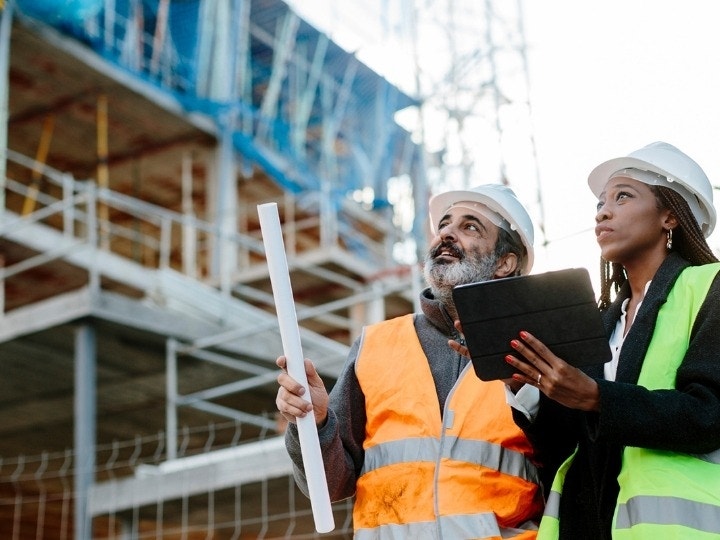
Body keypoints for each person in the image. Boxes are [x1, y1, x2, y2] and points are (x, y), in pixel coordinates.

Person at [276, 184, 547, 539]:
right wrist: (314, 422)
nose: (447, 234)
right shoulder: (377, 344)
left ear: (504, 263)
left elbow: (570, 468)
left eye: (470, 227)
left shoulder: (536, 349)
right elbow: (329, 487)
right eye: (444, 225)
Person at [502, 141, 720, 539]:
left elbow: (711, 414)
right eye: (601, 202)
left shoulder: (710, 288)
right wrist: (526, 384)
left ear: (670, 216)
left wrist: (597, 397)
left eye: (623, 197)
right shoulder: (600, 322)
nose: (602, 211)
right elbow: (563, 447)